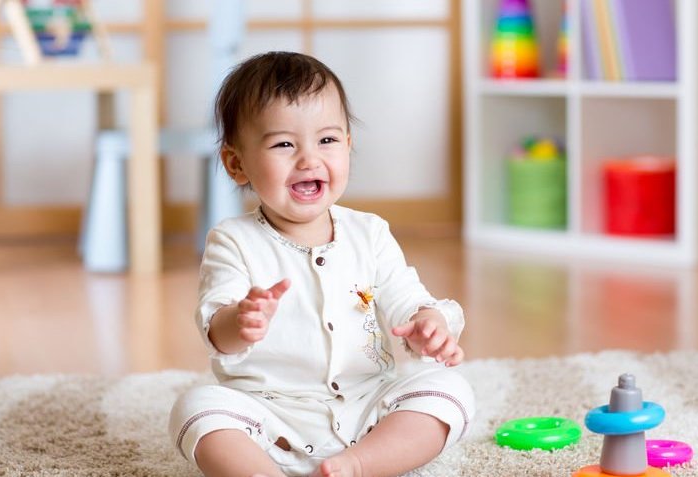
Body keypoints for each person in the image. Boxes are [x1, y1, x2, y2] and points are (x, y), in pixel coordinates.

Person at [169, 51, 475, 477]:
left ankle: (356, 466)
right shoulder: (233, 240)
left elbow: (407, 298)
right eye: (283, 144)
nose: (309, 159)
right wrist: (240, 320)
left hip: (369, 411)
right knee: (196, 409)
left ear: (348, 145)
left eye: (327, 140)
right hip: (270, 420)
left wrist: (427, 324)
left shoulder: (370, 233)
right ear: (236, 164)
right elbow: (215, 326)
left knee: (450, 391)